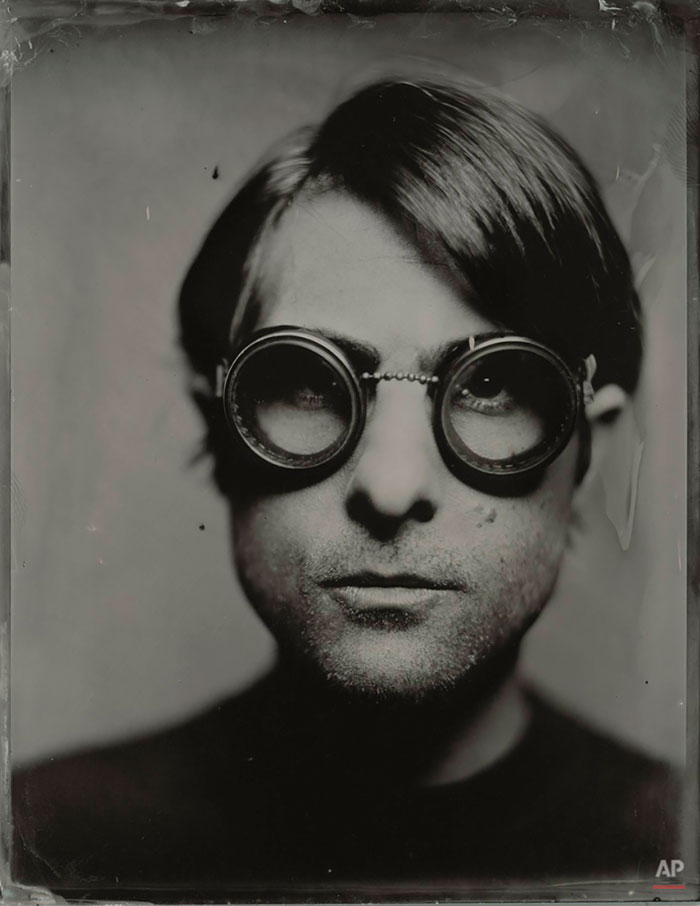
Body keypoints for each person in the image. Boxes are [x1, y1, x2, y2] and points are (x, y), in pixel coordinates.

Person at [12, 76, 678, 901]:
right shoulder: (45, 851)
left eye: (491, 386)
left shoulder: (672, 851)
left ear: (589, 455)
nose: (391, 488)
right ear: (222, 428)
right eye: (309, 383)